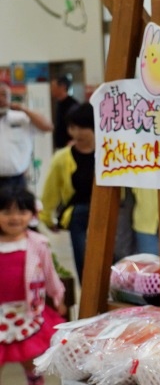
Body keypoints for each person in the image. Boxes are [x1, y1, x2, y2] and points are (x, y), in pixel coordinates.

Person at [0, 185, 66, 385]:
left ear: (32, 214)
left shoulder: (38, 243)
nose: (14, 218)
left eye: (21, 212)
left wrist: (57, 296)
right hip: (1, 314)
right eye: (6, 212)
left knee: (29, 356)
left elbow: (49, 273)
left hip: (27, 311)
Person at [39, 103, 96, 278]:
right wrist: (47, 217)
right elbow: (51, 190)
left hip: (109, 214)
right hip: (78, 214)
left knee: (115, 263)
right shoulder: (62, 158)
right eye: (72, 127)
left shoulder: (111, 152)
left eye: (82, 128)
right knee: (85, 264)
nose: (76, 133)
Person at [0, 84, 53, 194]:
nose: (1, 98)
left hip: (17, 179)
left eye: (4, 95)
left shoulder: (20, 117)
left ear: (10, 97)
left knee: (19, 209)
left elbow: (48, 126)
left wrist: (23, 108)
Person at [49, 75, 78, 150]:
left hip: (71, 147)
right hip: (60, 147)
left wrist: (75, 141)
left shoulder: (73, 105)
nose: (51, 89)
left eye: (53, 86)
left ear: (63, 87)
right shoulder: (59, 103)